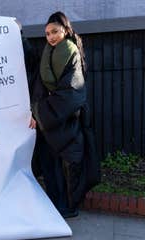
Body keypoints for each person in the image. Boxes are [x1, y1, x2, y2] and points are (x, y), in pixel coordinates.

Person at [30, 12, 100, 218]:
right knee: (51, 164)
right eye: (47, 33)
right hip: (52, 120)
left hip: (68, 120)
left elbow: (72, 91)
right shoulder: (47, 53)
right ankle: (56, 204)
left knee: (69, 165)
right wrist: (37, 111)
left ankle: (68, 207)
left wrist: (40, 112)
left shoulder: (71, 53)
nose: (50, 37)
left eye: (55, 32)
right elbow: (40, 84)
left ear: (66, 30)